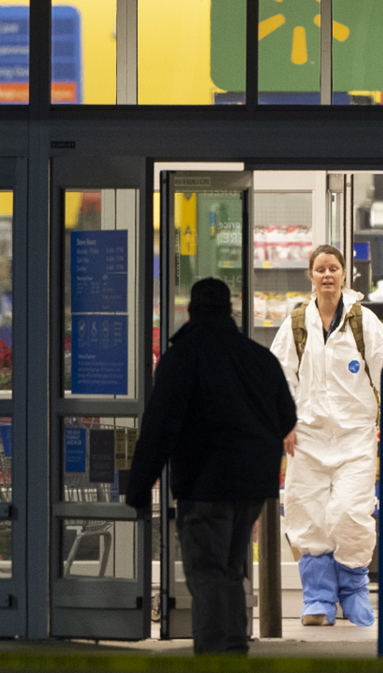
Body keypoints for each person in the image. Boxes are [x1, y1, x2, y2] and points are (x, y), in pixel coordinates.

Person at [126, 278, 297, 655]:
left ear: (190, 310)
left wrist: (138, 488)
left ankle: (214, 654)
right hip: (253, 486)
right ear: (230, 310)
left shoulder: (183, 356)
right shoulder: (258, 356)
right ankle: (234, 648)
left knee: (207, 573)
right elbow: (286, 417)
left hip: (205, 483)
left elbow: (159, 428)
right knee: (232, 570)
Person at [269, 244, 383, 627]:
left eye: (334, 268)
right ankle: (318, 598)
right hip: (306, 440)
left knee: (350, 515)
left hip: (355, 440)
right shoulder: (295, 324)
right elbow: (278, 378)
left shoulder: (364, 322)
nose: (327, 275)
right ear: (310, 276)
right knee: (307, 517)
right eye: (320, 269)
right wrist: (284, 422)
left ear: (345, 275)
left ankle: (354, 590)